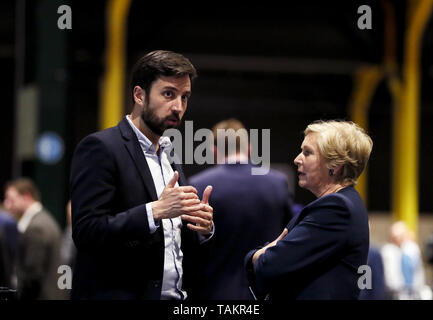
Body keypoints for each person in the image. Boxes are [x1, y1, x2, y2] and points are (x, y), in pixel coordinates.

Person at [70, 50, 214, 300]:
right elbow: (87, 232)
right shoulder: (100, 148)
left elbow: (170, 242)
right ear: (139, 95)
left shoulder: (170, 155)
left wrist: (201, 227)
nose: (178, 107)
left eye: (185, 97)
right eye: (168, 94)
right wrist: (155, 211)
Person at [245, 120, 372, 300]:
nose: (297, 159)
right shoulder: (344, 204)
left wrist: (256, 255)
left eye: (308, 153)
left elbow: (269, 265)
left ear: (334, 166)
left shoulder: (336, 209)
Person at [188, 118, 294, 300]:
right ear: (249, 147)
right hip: (267, 293)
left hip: (215, 295)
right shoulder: (278, 183)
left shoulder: (198, 186)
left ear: (214, 151)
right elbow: (289, 238)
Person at [3, 178, 64, 300]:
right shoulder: (43, 219)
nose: (6, 204)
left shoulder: (36, 227)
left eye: (11, 199)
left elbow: (32, 277)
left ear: (26, 196)